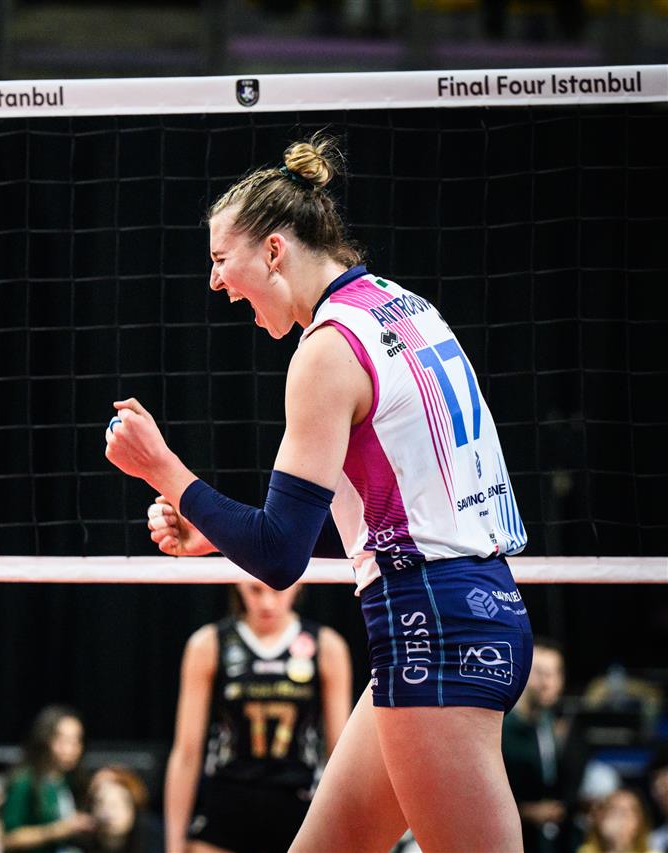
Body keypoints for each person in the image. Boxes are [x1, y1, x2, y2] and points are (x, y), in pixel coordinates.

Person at [105, 133, 534, 852]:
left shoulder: (327, 349)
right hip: (460, 609)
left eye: (220, 259)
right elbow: (380, 504)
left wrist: (162, 469)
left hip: (436, 627)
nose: (214, 282)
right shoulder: (399, 304)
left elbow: (280, 556)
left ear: (274, 251)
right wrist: (215, 529)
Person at [163, 580, 352, 853]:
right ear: (238, 584)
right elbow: (186, 753)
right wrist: (174, 845)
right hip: (228, 803)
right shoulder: (208, 643)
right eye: (255, 590)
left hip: (298, 805)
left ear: (298, 584)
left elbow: (340, 755)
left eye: (277, 589)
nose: (267, 603)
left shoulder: (327, 646)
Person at [502, 638, 588, 853]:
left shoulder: (555, 721)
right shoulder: (502, 725)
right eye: (540, 673)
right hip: (509, 834)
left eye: (556, 673)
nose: (548, 682)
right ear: (523, 674)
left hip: (553, 836)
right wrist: (526, 811)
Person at [1, 705, 95, 853]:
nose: (71, 749)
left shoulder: (70, 780)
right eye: (63, 740)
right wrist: (58, 830)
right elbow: (9, 838)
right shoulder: (24, 781)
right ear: (45, 740)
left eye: (76, 741)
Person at [83, 765, 164, 853]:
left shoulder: (156, 838)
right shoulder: (80, 844)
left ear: (133, 806)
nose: (108, 811)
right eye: (100, 803)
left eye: (116, 804)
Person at [576, 788, 660, 853]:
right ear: (601, 818)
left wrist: (618, 846)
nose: (619, 820)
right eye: (614, 811)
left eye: (624, 813)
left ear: (638, 821)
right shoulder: (586, 850)